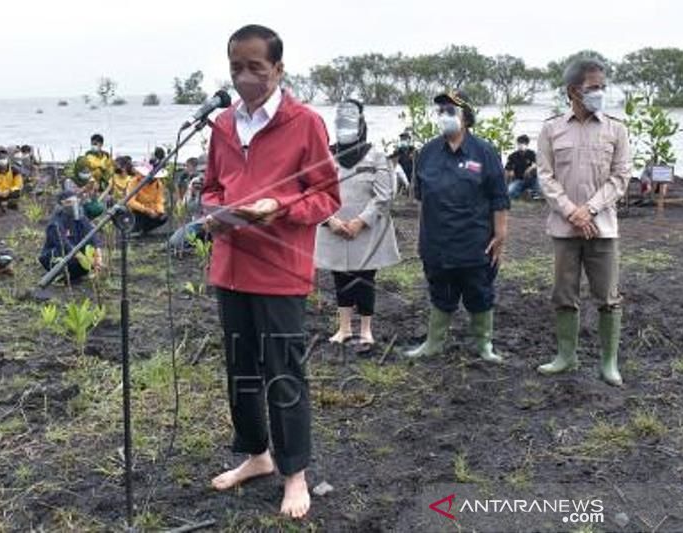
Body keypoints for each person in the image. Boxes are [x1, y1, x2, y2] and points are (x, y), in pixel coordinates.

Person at [201, 24, 340, 519]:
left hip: (279, 268)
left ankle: (294, 473)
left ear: (278, 69)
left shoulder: (305, 123)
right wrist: (216, 210)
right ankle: (257, 455)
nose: (244, 78)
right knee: (240, 369)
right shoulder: (221, 125)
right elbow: (213, 186)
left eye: (255, 68)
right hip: (231, 266)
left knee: (284, 372)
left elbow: (325, 196)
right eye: (236, 68)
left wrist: (275, 206)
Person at [536, 57, 632, 386]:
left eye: (603, 87)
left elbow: (621, 177)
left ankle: (609, 363)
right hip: (564, 229)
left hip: (602, 228)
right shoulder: (551, 129)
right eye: (594, 88)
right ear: (573, 91)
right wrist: (570, 211)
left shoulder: (616, 128)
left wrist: (588, 210)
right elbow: (546, 177)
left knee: (607, 295)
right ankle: (566, 356)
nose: (600, 93)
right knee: (564, 293)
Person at [405, 90, 510, 363]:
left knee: (480, 291)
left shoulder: (485, 152)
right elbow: (421, 199)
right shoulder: (426, 153)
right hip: (436, 242)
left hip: (475, 241)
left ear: (466, 116)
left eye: (450, 111)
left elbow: (499, 197)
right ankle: (433, 343)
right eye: (440, 111)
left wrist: (500, 234)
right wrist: (423, 239)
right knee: (440, 292)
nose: (444, 116)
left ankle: (484, 345)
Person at [315, 99, 400, 352]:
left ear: (362, 125)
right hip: (334, 227)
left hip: (367, 229)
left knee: (364, 278)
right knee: (340, 276)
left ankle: (365, 330)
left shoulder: (376, 156)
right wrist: (330, 221)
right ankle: (344, 328)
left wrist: (360, 221)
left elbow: (384, 195)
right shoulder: (325, 156)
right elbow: (314, 192)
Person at [39, 190, 103, 281]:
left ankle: (77, 274)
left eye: (76, 202)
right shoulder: (55, 223)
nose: (74, 205)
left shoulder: (80, 218)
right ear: (61, 204)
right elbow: (63, 244)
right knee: (63, 255)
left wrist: (98, 254)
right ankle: (62, 275)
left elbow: (91, 234)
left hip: (76, 253)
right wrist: (83, 259)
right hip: (57, 256)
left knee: (89, 249)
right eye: (69, 202)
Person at [169, 155, 209, 253]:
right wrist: (194, 194)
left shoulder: (223, 181)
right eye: (202, 171)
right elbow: (187, 207)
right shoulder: (196, 182)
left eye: (207, 170)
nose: (204, 174)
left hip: (218, 221)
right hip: (200, 221)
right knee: (175, 241)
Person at [125, 164, 168, 235]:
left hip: (152, 211)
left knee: (163, 218)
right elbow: (131, 202)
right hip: (137, 211)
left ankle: (144, 231)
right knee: (138, 220)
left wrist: (159, 211)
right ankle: (135, 231)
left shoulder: (158, 184)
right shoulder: (134, 182)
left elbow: (159, 200)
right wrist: (147, 210)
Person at [505, 134, 541, 200]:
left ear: (527, 144)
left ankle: (534, 193)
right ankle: (522, 194)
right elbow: (508, 169)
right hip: (519, 180)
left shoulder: (531, 153)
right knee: (510, 192)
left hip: (532, 179)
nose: (521, 145)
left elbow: (539, 164)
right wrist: (510, 172)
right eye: (519, 143)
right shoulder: (513, 156)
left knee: (539, 187)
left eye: (523, 143)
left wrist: (530, 168)